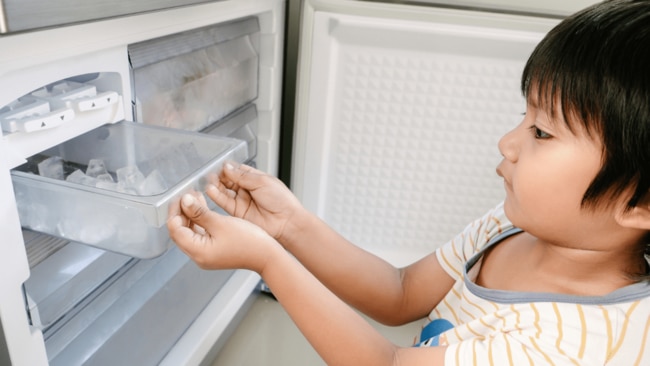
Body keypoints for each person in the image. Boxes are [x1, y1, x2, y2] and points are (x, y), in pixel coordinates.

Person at [167, 0, 650, 364]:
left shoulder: (563, 349)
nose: (507, 141)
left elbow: (385, 362)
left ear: (638, 203)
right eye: (523, 117)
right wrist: (289, 225)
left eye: (542, 132)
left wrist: (265, 259)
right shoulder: (511, 224)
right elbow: (400, 293)